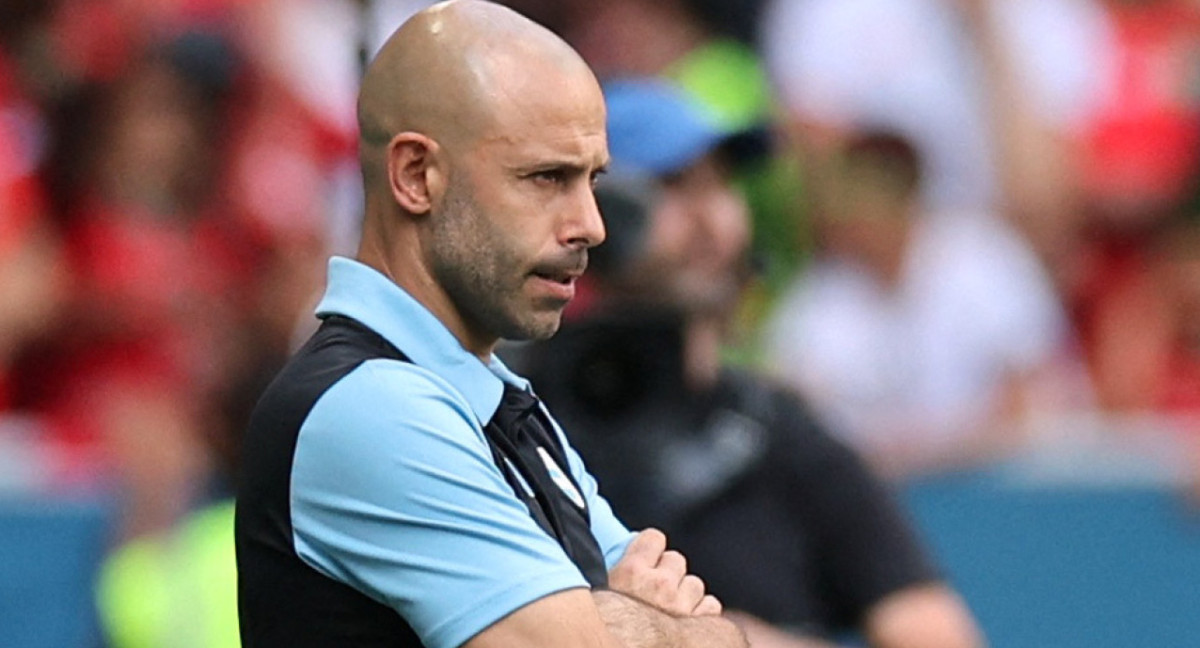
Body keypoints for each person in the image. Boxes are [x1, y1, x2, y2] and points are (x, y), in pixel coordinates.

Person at [235, 2, 747, 648]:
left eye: (592, 181)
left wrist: (619, 619)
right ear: (416, 176)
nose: (591, 224)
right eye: (545, 178)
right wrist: (651, 622)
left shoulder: (499, 400)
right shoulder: (371, 406)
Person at [511, 78, 984, 648]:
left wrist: (740, 642)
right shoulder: (519, 417)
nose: (711, 216)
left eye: (721, 184)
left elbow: (937, 633)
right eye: (673, 185)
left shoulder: (774, 429)